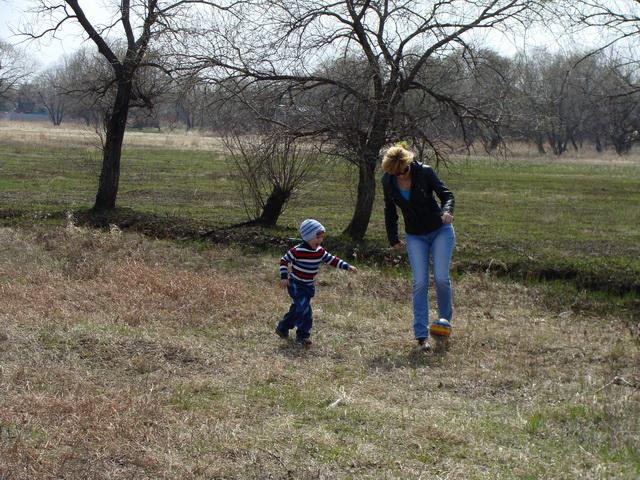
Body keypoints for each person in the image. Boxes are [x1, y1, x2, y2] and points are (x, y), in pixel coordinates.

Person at [381, 143, 456, 351]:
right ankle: (421, 336)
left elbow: (447, 195)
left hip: (440, 230)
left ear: (408, 164)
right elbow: (390, 211)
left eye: (402, 172)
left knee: (441, 278)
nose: (400, 176)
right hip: (415, 236)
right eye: (394, 173)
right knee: (420, 283)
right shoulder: (387, 181)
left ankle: (444, 324)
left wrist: (447, 211)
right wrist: (393, 238)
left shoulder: (425, 172)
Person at [276, 218, 357, 345]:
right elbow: (284, 260)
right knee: (305, 310)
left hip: (308, 285)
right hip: (296, 284)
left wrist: (347, 266)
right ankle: (303, 336)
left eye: (322, 237)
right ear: (307, 237)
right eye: (317, 237)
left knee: (298, 309)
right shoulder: (297, 250)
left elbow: (332, 260)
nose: (320, 240)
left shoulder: (320, 251)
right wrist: (284, 277)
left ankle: (283, 327)